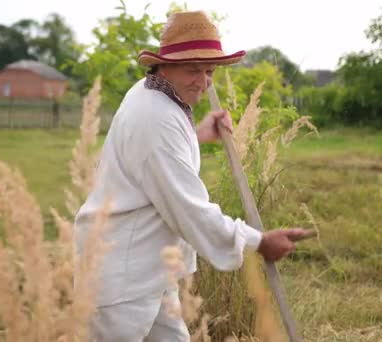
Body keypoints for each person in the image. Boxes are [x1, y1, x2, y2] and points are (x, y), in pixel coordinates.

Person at [74, 10, 307, 342]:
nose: (203, 81)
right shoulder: (155, 116)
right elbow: (191, 210)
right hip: (122, 275)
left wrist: (195, 133)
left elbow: (153, 161)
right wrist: (259, 241)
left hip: (148, 266)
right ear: (163, 66)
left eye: (209, 70)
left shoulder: (152, 95)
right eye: (192, 70)